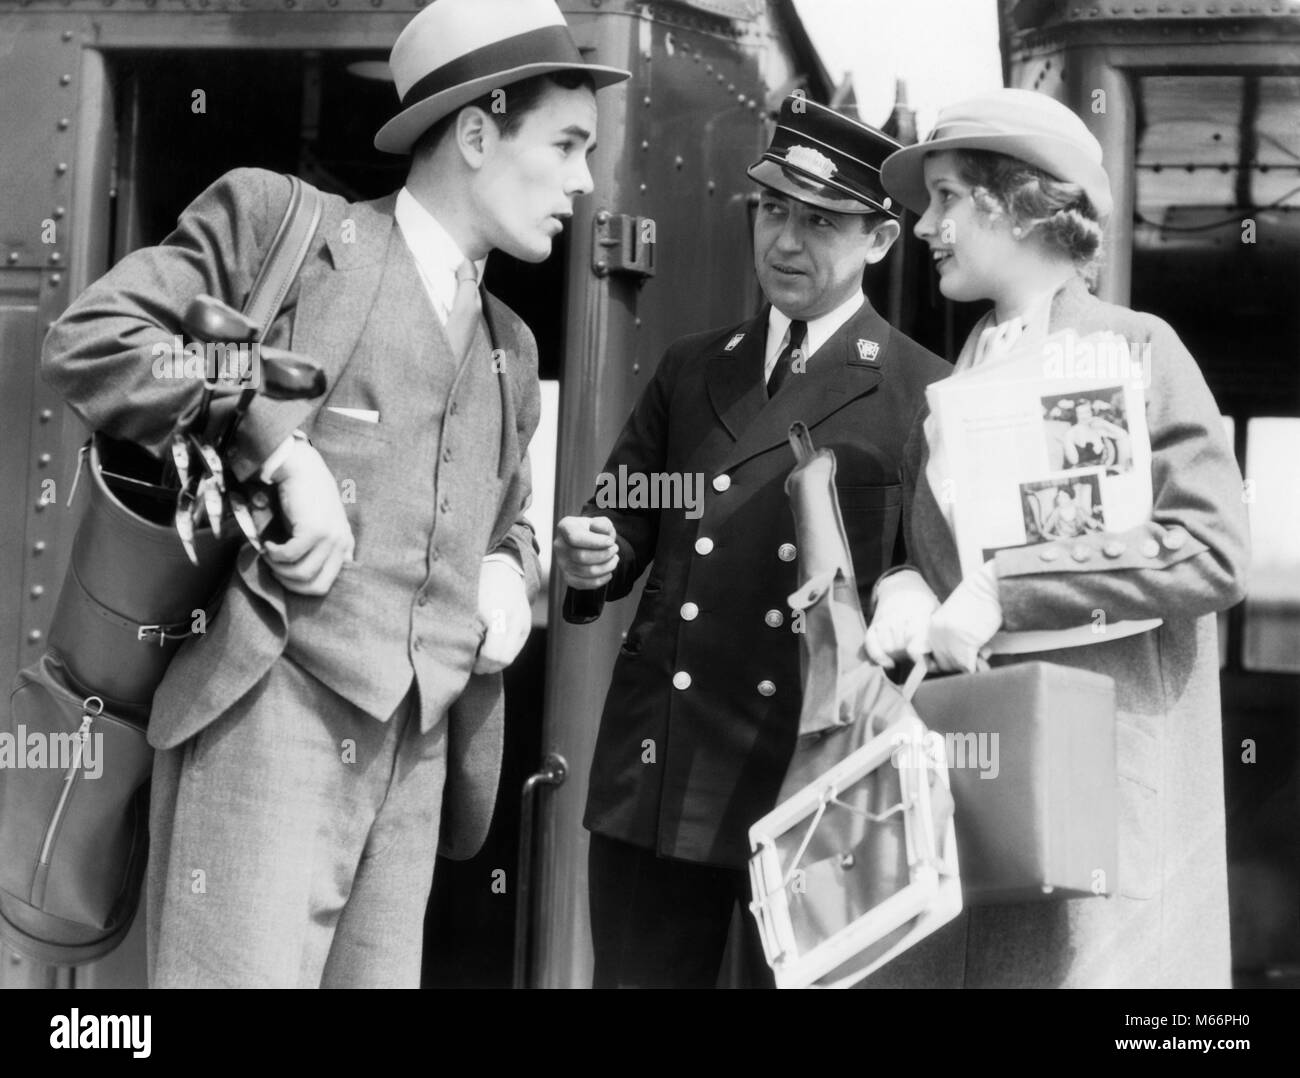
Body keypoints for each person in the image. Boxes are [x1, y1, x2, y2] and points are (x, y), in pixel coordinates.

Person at [41, 0, 628, 988]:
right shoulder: (284, 233)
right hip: (266, 732)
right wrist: (274, 448)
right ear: (478, 134)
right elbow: (98, 339)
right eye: (567, 145)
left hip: (418, 763)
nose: (582, 180)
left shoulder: (512, 353)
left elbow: (506, 522)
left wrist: (505, 572)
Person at [554, 96, 951, 988]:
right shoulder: (693, 368)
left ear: (881, 241)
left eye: (821, 221)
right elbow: (628, 510)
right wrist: (598, 551)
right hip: (666, 771)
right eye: (774, 210)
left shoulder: (924, 392)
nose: (786, 241)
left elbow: (923, 581)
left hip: (819, 774)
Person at [865, 87, 1249, 987]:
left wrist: (1008, 590)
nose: (927, 227)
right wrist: (908, 585)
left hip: (1105, 810)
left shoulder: (1136, 349)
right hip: (990, 803)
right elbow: (949, 563)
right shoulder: (958, 380)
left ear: (1019, 200)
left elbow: (1212, 547)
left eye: (951, 196)